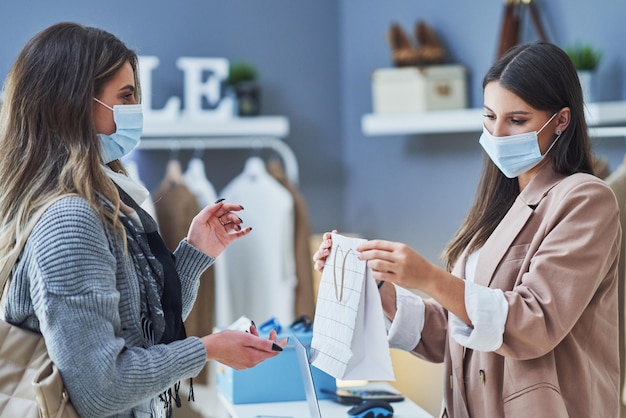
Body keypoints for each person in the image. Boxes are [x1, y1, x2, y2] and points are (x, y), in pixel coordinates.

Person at [314, 42, 621, 418]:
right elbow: (457, 329)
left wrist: (427, 276)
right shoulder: (500, 204)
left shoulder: (586, 199)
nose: (497, 133)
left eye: (518, 120)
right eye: (490, 116)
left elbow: (534, 321)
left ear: (561, 120)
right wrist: (377, 281)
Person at [0, 22, 287, 418]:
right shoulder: (69, 221)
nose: (136, 110)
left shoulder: (107, 199)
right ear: (72, 105)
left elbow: (143, 330)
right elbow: (101, 388)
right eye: (126, 96)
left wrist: (195, 253)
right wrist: (209, 348)